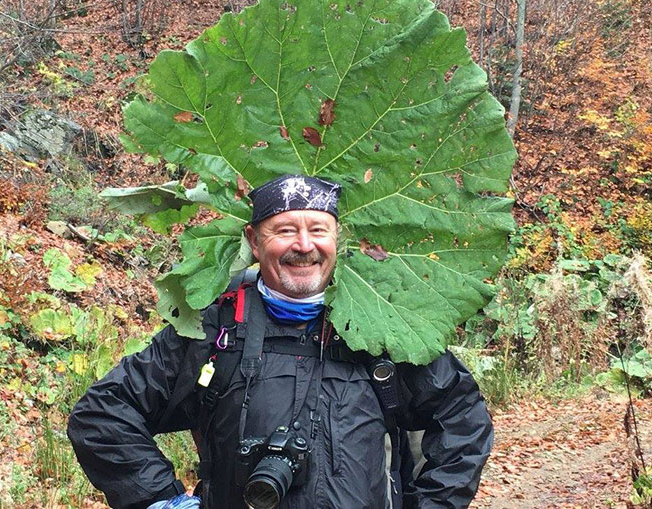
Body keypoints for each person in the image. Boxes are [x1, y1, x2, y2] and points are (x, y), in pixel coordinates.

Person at [68, 174, 494, 509]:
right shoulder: (214, 328)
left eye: (318, 230)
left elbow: (462, 416)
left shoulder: (380, 326)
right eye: (285, 230)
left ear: (337, 240)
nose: (304, 245)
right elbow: (102, 415)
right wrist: (161, 498)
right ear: (255, 242)